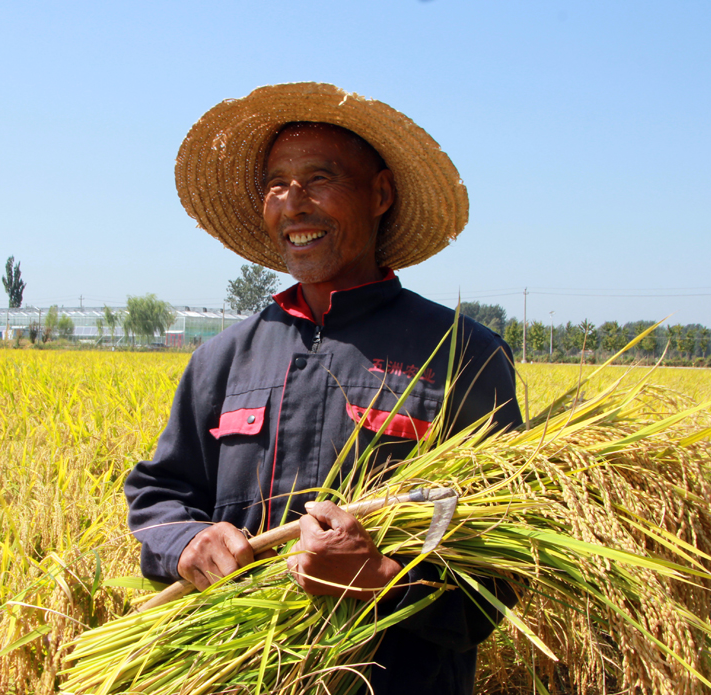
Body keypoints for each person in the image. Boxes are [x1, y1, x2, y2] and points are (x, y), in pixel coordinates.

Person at [125, 82, 523, 694]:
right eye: (276, 185)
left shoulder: (462, 355)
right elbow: (161, 490)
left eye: (318, 178)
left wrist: (384, 579)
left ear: (380, 194)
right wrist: (187, 542)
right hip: (236, 675)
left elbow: (507, 557)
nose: (293, 204)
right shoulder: (222, 360)